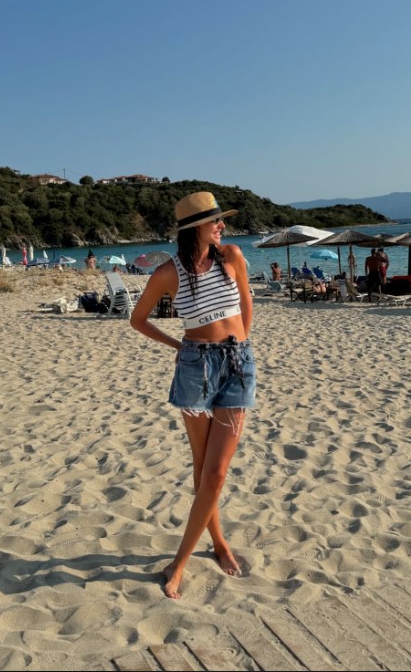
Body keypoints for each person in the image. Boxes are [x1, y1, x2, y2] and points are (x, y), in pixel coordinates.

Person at [130, 191, 255, 600]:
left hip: (237, 365)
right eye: (215, 221)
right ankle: (216, 544)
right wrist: (177, 346)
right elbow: (137, 319)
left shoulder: (232, 256)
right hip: (194, 368)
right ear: (194, 227)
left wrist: (241, 345)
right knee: (204, 470)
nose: (222, 226)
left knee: (215, 472)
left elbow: (246, 302)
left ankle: (179, 562)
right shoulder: (168, 273)